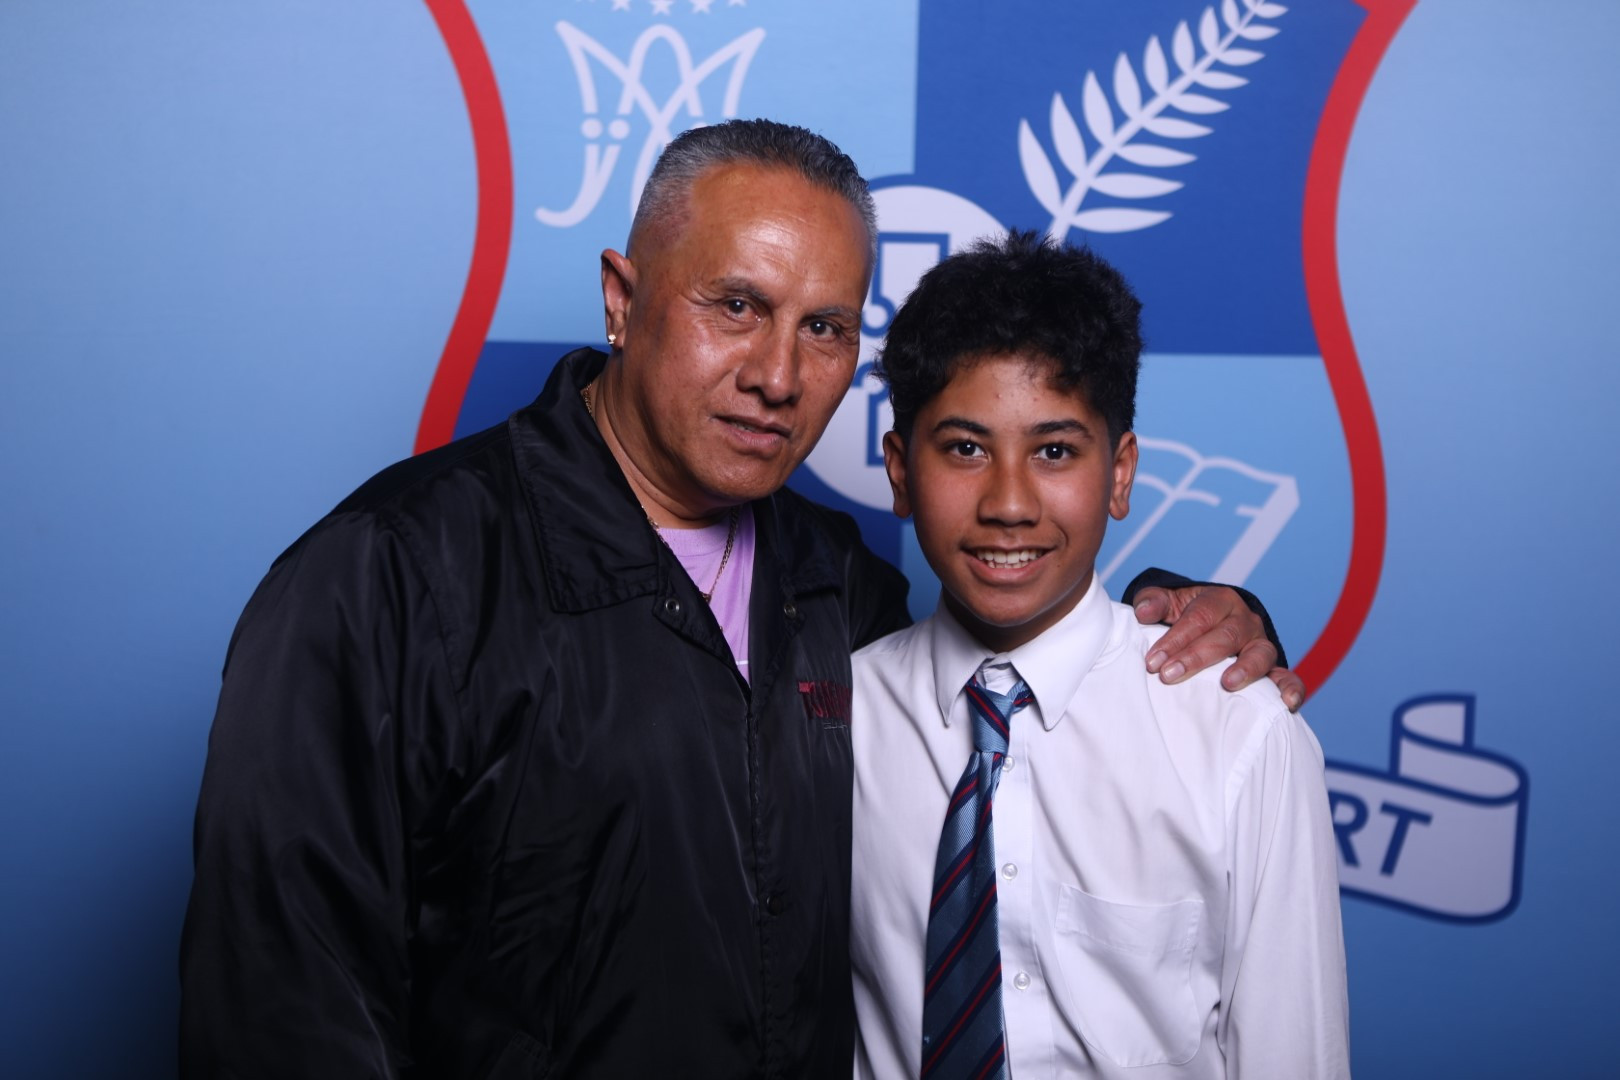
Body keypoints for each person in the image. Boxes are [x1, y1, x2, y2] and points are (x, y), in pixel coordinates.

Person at [180, 121, 1293, 1078]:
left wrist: (1175, 609)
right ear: (622, 301)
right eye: (736, 306)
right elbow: (279, 1005)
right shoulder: (388, 577)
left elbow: (1002, 675)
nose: (778, 375)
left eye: (825, 328)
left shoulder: (838, 584)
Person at [849, 232, 1347, 1078]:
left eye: (1055, 451)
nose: (1009, 503)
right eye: (965, 448)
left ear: (1120, 474)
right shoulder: (836, 720)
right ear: (900, 471)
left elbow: (1293, 1056)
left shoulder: (1239, 734)